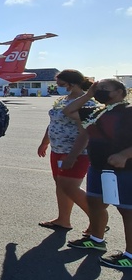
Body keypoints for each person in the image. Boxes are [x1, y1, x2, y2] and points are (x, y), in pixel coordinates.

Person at [63, 78, 132, 269]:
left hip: (125, 169)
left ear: (119, 92)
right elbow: (68, 111)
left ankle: (130, 255)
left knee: (127, 210)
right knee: (95, 203)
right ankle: (96, 239)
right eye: (98, 88)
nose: (100, 91)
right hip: (99, 167)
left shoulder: (128, 112)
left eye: (105, 89)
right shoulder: (96, 112)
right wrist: (89, 93)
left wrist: (124, 154)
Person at [36, 69, 95, 231]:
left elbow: (86, 131)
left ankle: (98, 220)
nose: (58, 87)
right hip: (58, 149)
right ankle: (63, 219)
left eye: (61, 84)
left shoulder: (87, 103)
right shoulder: (62, 100)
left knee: (71, 187)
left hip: (75, 152)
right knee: (61, 185)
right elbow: (54, 123)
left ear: (73, 83)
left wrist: (73, 155)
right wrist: (44, 142)